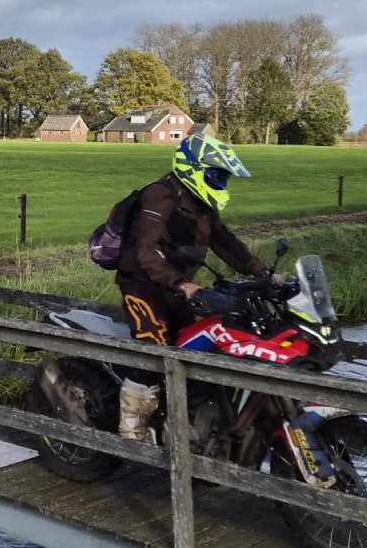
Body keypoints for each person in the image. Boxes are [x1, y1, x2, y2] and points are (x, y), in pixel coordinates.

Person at [113, 132, 276, 442]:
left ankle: (183, 426)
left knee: (194, 351)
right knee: (154, 350)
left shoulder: (201, 203)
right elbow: (147, 251)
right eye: (216, 176)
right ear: (193, 167)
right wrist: (181, 284)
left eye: (223, 178)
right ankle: (131, 432)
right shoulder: (159, 196)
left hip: (179, 289)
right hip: (143, 286)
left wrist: (264, 273)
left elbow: (225, 242)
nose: (220, 183)